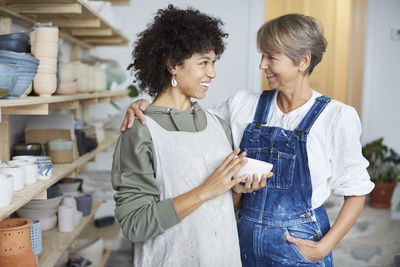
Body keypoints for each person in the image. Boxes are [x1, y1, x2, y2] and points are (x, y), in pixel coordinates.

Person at [120, 13, 375, 266]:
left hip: (299, 250)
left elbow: (356, 191)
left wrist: (323, 248)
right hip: (242, 247)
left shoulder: (337, 117)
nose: (262, 65)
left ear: (303, 61)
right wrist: (145, 106)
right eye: (262, 55)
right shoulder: (242, 105)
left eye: (271, 57)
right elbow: (187, 125)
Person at [112, 5, 272, 267]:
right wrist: (205, 191)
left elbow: (218, 211)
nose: (212, 73)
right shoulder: (141, 130)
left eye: (213, 62)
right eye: (203, 63)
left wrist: (236, 192)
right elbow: (135, 225)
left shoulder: (218, 125)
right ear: (173, 65)